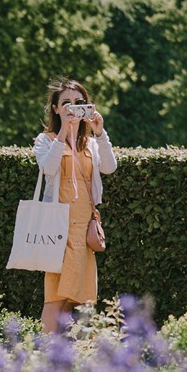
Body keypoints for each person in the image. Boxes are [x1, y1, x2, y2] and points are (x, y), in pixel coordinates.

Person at [34, 78, 117, 333]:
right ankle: (45, 351)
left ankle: (70, 354)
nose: (72, 108)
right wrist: (62, 133)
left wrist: (100, 133)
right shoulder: (45, 139)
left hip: (83, 227)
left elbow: (109, 167)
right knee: (55, 295)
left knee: (79, 296)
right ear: (56, 109)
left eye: (78, 103)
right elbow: (47, 168)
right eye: (66, 103)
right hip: (58, 225)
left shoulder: (91, 142)